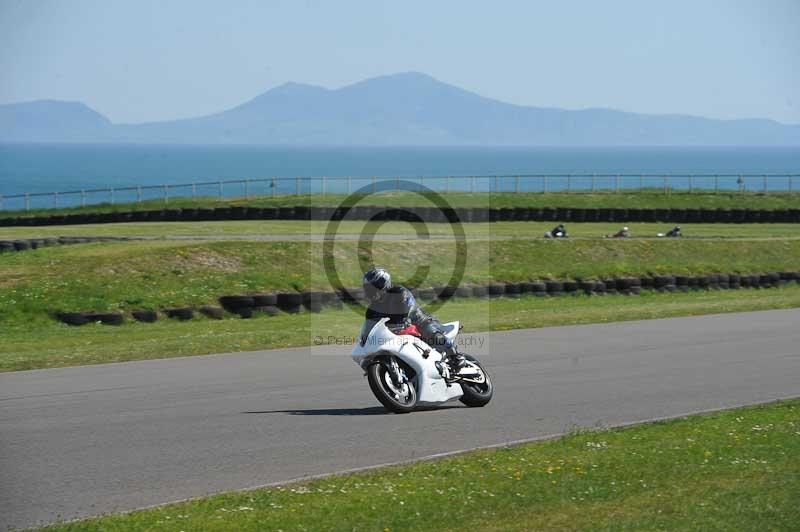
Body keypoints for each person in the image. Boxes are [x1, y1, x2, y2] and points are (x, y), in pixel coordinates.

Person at [362, 267, 466, 371]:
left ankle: (456, 356)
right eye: (368, 289)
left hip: (420, 323)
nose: (371, 292)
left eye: (373, 288)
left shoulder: (399, 292)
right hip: (394, 334)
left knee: (431, 334)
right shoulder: (372, 310)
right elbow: (369, 328)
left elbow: (408, 308)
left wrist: (402, 323)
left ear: (383, 285)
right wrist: (365, 340)